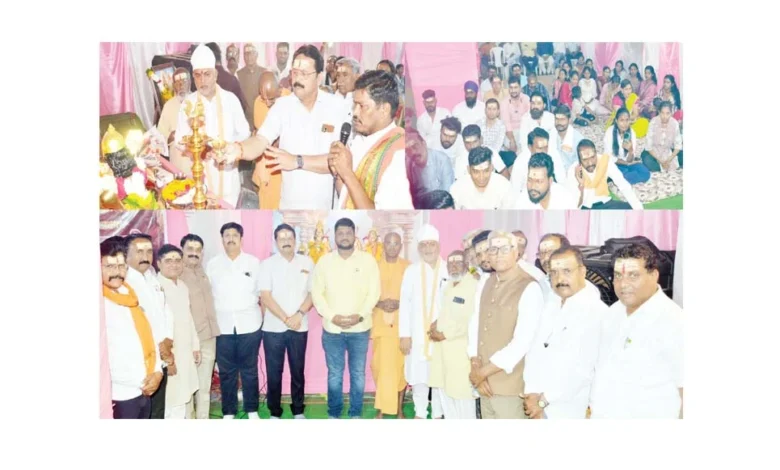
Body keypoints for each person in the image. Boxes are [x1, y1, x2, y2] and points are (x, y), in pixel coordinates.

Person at [221, 45, 351, 209]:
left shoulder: (337, 107)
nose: (297, 79)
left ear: (319, 77)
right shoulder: (282, 106)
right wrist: (239, 149)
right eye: (295, 73)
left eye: (304, 74)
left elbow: (340, 162)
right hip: (289, 207)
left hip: (324, 208)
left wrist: (297, 161)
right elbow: (261, 140)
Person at [590, 244, 683, 419]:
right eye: (618, 275)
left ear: (654, 275)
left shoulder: (674, 321)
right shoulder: (612, 313)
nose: (623, 284)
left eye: (633, 275)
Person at [522, 246, 607, 419]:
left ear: (582, 271)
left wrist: (543, 401)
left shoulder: (596, 312)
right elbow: (534, 351)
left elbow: (583, 371)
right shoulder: (550, 304)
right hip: (538, 404)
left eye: (567, 271)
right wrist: (531, 392)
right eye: (553, 273)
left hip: (571, 408)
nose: (560, 279)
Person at [468, 231, 544, 419]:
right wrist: (475, 366)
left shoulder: (529, 287)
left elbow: (522, 342)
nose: (498, 254)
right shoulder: (486, 282)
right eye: (493, 249)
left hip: (510, 386)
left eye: (504, 249)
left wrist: (482, 373)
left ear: (516, 252)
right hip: (484, 384)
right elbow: (475, 324)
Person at [312, 218, 381, 418]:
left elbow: (374, 292)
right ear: (335, 236)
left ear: (354, 235)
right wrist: (332, 317)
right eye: (340, 233)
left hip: (360, 329)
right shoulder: (324, 262)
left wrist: (359, 316)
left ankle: (355, 413)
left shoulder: (368, 261)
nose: (344, 237)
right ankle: (334, 413)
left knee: (358, 373)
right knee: (334, 373)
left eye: (348, 233)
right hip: (332, 330)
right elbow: (317, 294)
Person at [173, 44, 251, 207]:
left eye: (207, 74)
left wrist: (228, 147)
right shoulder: (188, 104)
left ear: (215, 74)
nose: (202, 80)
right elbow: (179, 140)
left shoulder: (230, 100)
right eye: (198, 75)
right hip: (201, 182)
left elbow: (245, 133)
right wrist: (198, 152)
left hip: (229, 180)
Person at [330, 70, 412, 209]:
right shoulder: (360, 140)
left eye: (362, 106)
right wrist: (338, 172)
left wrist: (347, 174)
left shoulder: (400, 153)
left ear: (384, 109)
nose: (355, 113)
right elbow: (346, 198)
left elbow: (378, 216)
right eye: (355, 105)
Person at [206, 222, 263, 419]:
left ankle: (252, 410)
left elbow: (261, 293)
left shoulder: (253, 263)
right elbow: (209, 295)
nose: (230, 239)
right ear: (222, 239)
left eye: (234, 235)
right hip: (222, 327)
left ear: (241, 239)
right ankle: (229, 412)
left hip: (250, 325)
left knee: (250, 370)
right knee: (226, 372)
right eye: (227, 235)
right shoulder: (213, 264)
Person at [101, 238, 163, 419]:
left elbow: (149, 336)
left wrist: (157, 371)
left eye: (121, 266)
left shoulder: (130, 295)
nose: (116, 272)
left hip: (145, 388)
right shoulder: (100, 303)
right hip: (119, 394)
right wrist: (140, 381)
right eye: (109, 266)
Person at [259, 223, 314, 419]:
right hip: (273, 328)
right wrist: (286, 319)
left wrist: (298, 315)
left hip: (299, 326)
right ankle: (275, 411)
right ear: (275, 242)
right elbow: (265, 296)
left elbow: (312, 293)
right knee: (274, 373)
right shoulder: (267, 264)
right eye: (281, 238)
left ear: (295, 240)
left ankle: (298, 410)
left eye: (289, 237)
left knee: (298, 371)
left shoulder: (307, 262)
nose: (286, 241)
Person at [399, 224, 448, 419]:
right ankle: (420, 412)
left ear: (439, 246)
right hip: (417, 333)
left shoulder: (449, 269)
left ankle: (437, 414)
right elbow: (404, 303)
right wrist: (404, 334)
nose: (428, 248)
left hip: (442, 334)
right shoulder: (411, 271)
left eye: (431, 244)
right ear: (418, 248)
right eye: (424, 245)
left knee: (439, 376)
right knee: (419, 376)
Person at [124, 234, 173, 419]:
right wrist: (158, 347)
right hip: (142, 361)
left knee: (158, 410)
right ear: (126, 255)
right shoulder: (124, 283)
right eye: (139, 252)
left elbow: (166, 311)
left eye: (149, 251)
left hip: (162, 356)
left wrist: (168, 340)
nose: (145, 256)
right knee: (143, 412)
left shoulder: (152, 277)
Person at [428, 250, 479, 419]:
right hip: (443, 351)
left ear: (467, 265)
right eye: (450, 263)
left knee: (462, 396)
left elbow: (471, 320)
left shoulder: (473, 286)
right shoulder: (448, 285)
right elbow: (447, 313)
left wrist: (445, 334)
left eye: (458, 262)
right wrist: (435, 325)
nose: (454, 266)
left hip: (460, 351)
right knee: (445, 395)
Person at [156, 244, 200, 419]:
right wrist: (167, 360)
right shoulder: (156, 287)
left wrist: (195, 346)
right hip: (170, 355)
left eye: (177, 260)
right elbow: (157, 328)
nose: (173, 264)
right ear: (158, 263)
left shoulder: (182, 285)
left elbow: (188, 318)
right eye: (168, 260)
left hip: (185, 351)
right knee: (169, 400)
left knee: (183, 396)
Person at [179, 234, 220, 419]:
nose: (194, 253)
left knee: (204, 387)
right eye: (190, 249)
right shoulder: (177, 273)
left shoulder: (204, 272)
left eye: (198, 250)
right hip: (188, 340)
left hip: (208, 337)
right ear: (182, 250)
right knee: (188, 387)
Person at [371, 232, 411, 418]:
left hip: (402, 327)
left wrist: (400, 303)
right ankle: (382, 408)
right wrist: (380, 303)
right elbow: (366, 294)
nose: (392, 247)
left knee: (399, 369)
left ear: (401, 246)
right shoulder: (374, 266)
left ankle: (399, 409)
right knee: (380, 369)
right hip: (380, 326)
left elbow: (414, 296)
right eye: (389, 243)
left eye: (396, 243)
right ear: (383, 245)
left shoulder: (408, 268)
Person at [252, 71, 292, 210]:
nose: (267, 103)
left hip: (284, 165)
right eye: (264, 99)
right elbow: (259, 135)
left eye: (271, 99)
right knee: (266, 204)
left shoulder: (290, 101)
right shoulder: (258, 102)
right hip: (265, 162)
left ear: (280, 88)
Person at [566, 139, 643, 210]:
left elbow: (622, 184)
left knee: (631, 209)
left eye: (592, 157)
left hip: (606, 204)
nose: (590, 163)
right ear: (579, 159)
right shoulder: (573, 170)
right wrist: (581, 185)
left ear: (596, 153)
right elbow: (575, 205)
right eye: (585, 160)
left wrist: (638, 208)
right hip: (585, 207)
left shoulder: (605, 162)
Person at [449, 147, 516, 209]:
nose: (481, 177)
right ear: (468, 170)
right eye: (476, 172)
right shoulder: (456, 189)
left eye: (486, 171)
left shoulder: (504, 186)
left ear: (492, 168)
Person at [405, 127, 454, 204]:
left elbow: (447, 195)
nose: (413, 152)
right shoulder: (409, 167)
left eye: (415, 146)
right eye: (408, 150)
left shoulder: (442, 160)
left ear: (424, 143)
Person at [604, 108, 651, 184]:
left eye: (627, 120)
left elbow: (630, 160)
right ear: (616, 121)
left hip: (626, 164)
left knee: (645, 173)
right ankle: (621, 177)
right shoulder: (609, 132)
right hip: (613, 163)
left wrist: (630, 150)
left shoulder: (632, 133)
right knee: (615, 169)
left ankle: (618, 178)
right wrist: (626, 163)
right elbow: (609, 157)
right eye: (622, 120)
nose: (625, 124)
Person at [205, 43, 248, 113]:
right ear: (224, 56)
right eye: (230, 53)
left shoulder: (202, 81)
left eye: (235, 53)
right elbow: (242, 106)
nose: (232, 56)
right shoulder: (232, 80)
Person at [157, 68, 191, 157]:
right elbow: (159, 137)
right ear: (173, 85)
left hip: (197, 157)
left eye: (184, 81)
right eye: (177, 82)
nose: (181, 85)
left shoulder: (198, 101)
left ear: (190, 82)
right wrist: (170, 136)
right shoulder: (168, 106)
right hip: (177, 159)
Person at [641, 101, 683, 172]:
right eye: (662, 113)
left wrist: (669, 159)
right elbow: (648, 146)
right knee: (646, 159)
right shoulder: (653, 122)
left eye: (667, 113)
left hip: (669, 151)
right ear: (659, 112)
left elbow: (678, 146)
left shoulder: (674, 123)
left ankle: (662, 166)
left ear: (671, 113)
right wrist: (660, 160)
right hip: (654, 152)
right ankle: (660, 166)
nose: (665, 116)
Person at [237, 43, 266, 128]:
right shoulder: (238, 74)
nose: (249, 56)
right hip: (245, 120)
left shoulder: (264, 72)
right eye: (246, 54)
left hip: (262, 118)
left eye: (252, 53)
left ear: (256, 55)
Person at [500, 76, 530, 154]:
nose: (513, 90)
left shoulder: (526, 99)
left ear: (520, 87)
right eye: (511, 88)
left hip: (525, 130)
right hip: (510, 132)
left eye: (515, 87)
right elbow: (506, 123)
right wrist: (512, 140)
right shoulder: (504, 102)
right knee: (510, 145)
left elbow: (529, 118)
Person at [554, 105, 584, 172]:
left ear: (569, 120)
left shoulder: (578, 139)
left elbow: (580, 163)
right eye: (557, 119)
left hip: (571, 173)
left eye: (562, 119)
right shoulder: (551, 135)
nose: (559, 122)